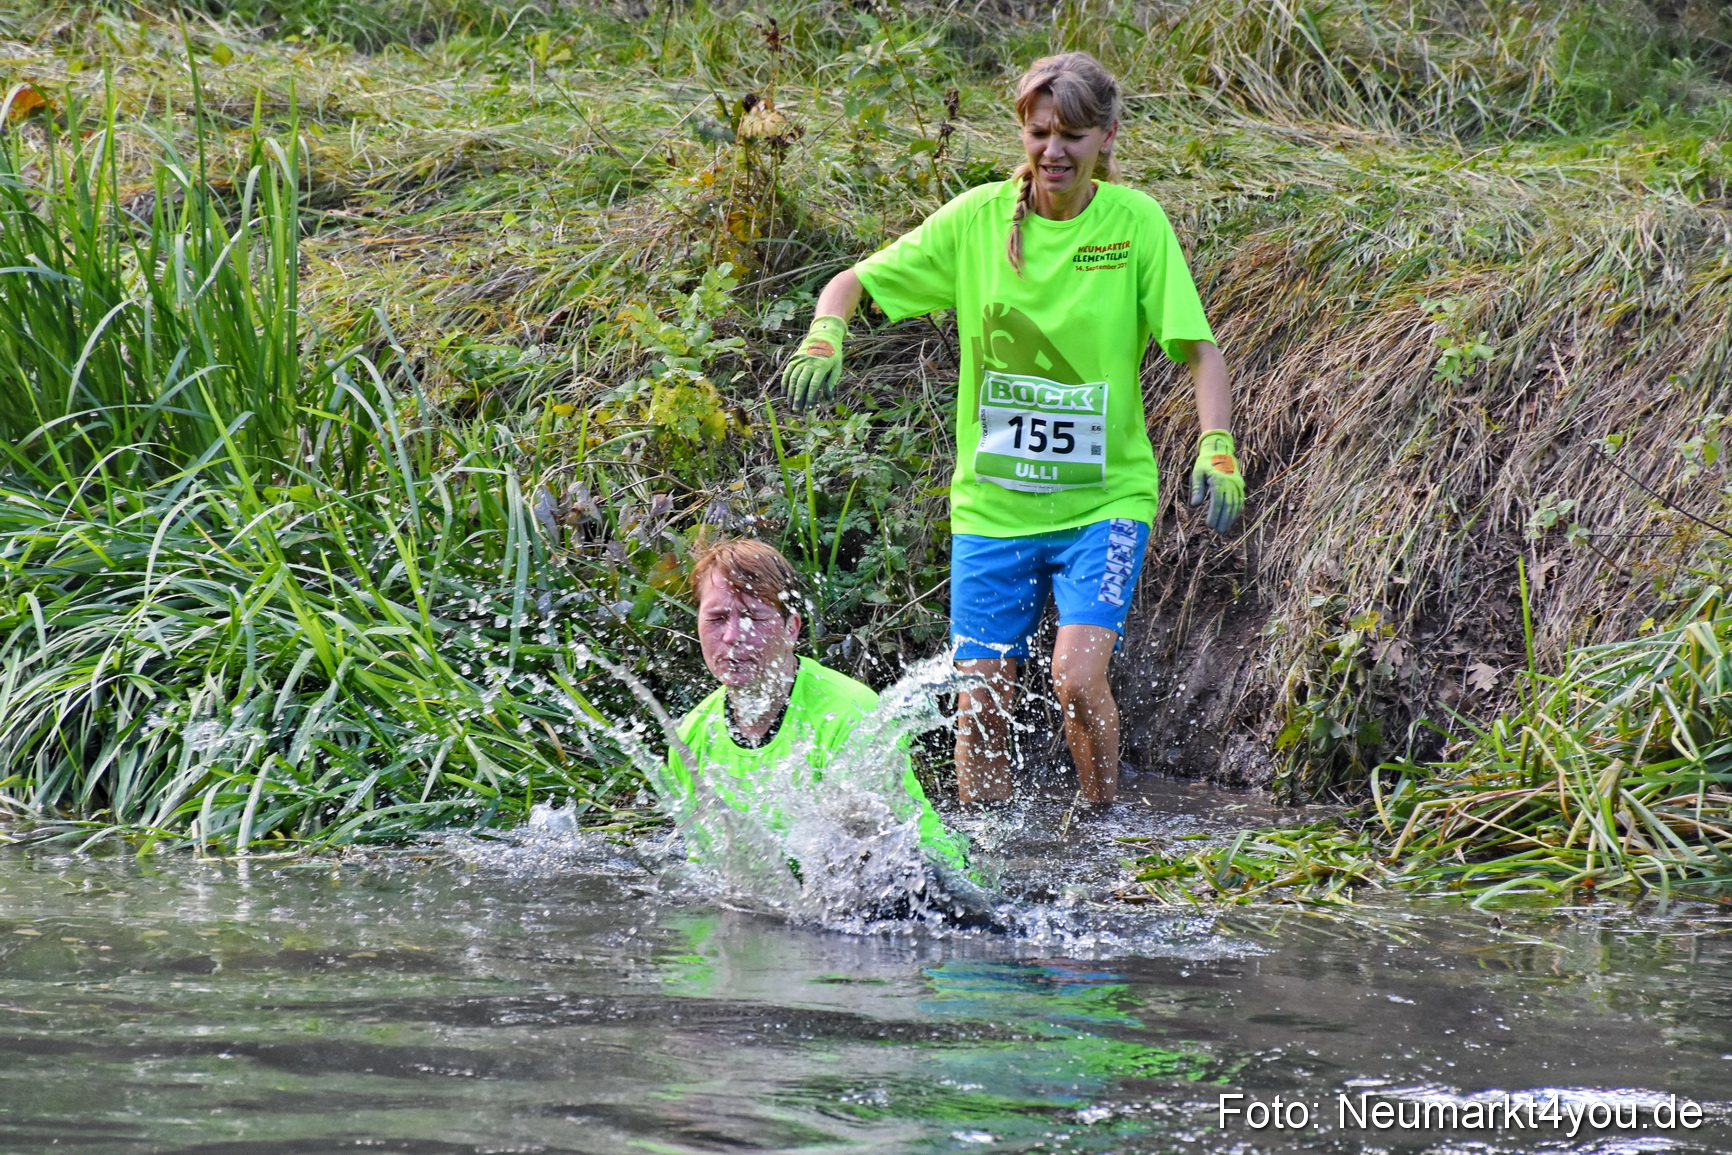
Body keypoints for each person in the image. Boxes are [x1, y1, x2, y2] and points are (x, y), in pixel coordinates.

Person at [780, 52, 1243, 811]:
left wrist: (1216, 445)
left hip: (1104, 502)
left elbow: (1201, 351)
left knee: (1075, 679)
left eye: (1073, 136)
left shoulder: (1135, 225)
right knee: (982, 703)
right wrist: (825, 333)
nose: (1053, 152)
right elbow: (852, 281)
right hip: (992, 510)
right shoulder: (977, 221)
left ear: (1107, 137)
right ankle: (982, 853)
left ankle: (1100, 829)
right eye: (1039, 133)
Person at [660, 537, 969, 876]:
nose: (732, 636)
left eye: (753, 617)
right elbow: (709, 869)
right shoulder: (691, 738)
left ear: (791, 629)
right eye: (717, 618)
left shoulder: (848, 713)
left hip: (929, 885)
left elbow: (875, 866)